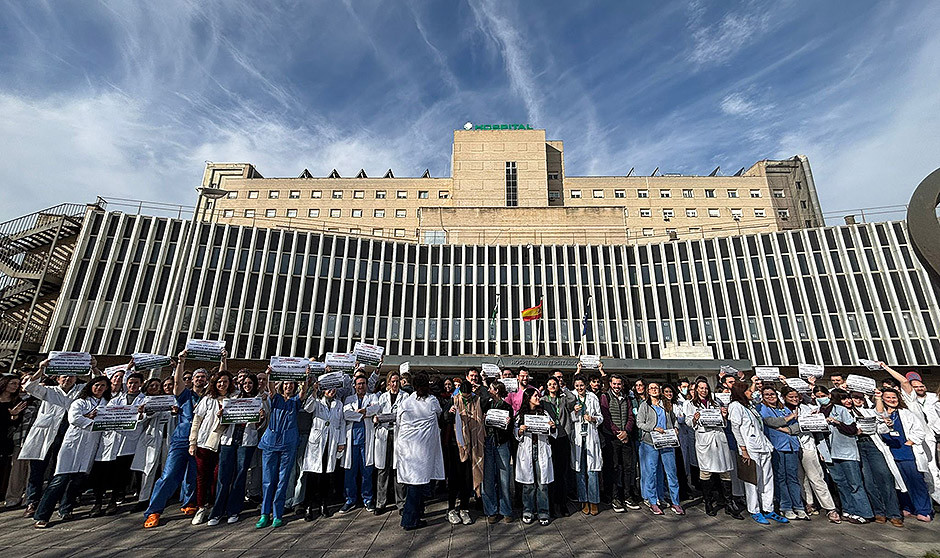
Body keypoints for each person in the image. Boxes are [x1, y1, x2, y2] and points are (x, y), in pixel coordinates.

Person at [143, 350, 214, 528]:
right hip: (181, 439)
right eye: (197, 377)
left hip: (200, 440)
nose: (200, 379)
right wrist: (181, 362)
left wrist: (223, 359)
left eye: (203, 377)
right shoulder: (185, 395)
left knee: (194, 475)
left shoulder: (209, 397)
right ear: (192, 380)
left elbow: (221, 377)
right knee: (169, 474)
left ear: (207, 380)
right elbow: (176, 383)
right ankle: (154, 511)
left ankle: (189, 503)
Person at [34, 375, 111, 528]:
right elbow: (75, 419)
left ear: (107, 388)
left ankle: (66, 509)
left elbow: (110, 420)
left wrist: (89, 418)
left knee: (77, 481)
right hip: (73, 444)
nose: (99, 388)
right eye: (96, 385)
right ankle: (42, 515)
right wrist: (94, 422)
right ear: (90, 386)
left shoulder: (108, 404)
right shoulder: (79, 402)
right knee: (60, 480)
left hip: (90, 445)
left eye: (103, 385)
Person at [19, 360, 84, 517]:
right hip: (45, 434)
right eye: (64, 376)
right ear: (57, 378)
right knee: (37, 470)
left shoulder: (80, 390)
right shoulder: (48, 390)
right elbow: (29, 387)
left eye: (71, 376)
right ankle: (32, 502)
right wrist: (41, 369)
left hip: (66, 435)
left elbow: (98, 383)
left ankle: (54, 500)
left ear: (76, 378)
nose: (67, 379)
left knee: (59, 469)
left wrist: (94, 367)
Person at [728, 379, 787, 525]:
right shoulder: (735, 406)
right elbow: (735, 428)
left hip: (763, 445)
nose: (751, 393)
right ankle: (754, 510)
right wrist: (743, 449)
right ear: (741, 392)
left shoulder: (750, 406)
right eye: (748, 391)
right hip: (750, 448)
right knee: (752, 480)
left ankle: (768, 508)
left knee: (767, 478)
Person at [814, 386, 873, 524]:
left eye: (823, 395)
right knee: (840, 484)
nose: (821, 398)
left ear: (829, 395)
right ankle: (848, 510)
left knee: (855, 483)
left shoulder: (841, 410)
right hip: (829, 453)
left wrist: (837, 422)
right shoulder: (816, 413)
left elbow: (852, 429)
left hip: (846, 452)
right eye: (818, 396)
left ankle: (864, 513)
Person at [91, 369, 145, 516]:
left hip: (129, 442)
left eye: (136, 383)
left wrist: (141, 414)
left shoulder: (144, 400)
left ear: (141, 384)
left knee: (120, 475)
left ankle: (113, 502)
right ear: (126, 384)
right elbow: (106, 415)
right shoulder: (115, 400)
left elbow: (144, 419)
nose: (133, 385)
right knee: (102, 473)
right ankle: (97, 503)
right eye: (130, 383)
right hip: (110, 440)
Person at [846, 390, 904, 527]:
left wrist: (887, 424)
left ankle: (894, 514)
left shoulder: (869, 411)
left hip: (872, 444)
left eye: (860, 398)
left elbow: (881, 428)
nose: (858, 400)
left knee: (884, 477)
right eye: (855, 397)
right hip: (857, 446)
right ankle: (879, 512)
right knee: (868, 481)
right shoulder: (845, 412)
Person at [784, 385, 840, 523]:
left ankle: (830, 508)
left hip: (808, 446)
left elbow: (816, 428)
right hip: (791, 447)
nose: (794, 399)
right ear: (784, 397)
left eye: (796, 397)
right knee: (800, 478)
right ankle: (809, 503)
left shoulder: (807, 408)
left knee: (816, 477)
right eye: (791, 397)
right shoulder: (781, 410)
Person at [396, 372, 445, 530]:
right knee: (415, 485)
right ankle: (409, 520)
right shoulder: (432, 401)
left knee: (416, 484)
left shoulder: (406, 402)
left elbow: (398, 421)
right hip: (421, 450)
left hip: (409, 449)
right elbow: (439, 414)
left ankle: (418, 513)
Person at [876, 388, 933, 522]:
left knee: (916, 481)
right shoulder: (880, 415)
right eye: (888, 397)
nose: (891, 400)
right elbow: (879, 430)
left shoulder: (906, 413)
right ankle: (907, 507)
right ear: (883, 399)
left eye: (894, 397)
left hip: (907, 453)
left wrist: (910, 442)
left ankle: (924, 510)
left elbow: (919, 431)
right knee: (900, 482)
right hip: (890, 453)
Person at [256, 377, 305, 528]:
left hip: (288, 444)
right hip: (270, 442)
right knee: (268, 480)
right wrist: (271, 374)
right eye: (286, 384)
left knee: (283, 480)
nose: (288, 386)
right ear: (282, 386)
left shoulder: (295, 401)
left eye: (291, 384)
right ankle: (265, 514)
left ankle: (277, 514)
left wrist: (305, 378)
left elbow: (303, 392)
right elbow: (271, 388)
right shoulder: (275, 398)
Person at [188, 370, 235, 525]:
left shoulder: (235, 398)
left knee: (218, 477)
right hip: (204, 443)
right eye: (219, 381)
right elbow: (196, 421)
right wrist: (192, 442)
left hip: (225, 442)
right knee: (202, 477)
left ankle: (215, 506)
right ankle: (201, 507)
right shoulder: (208, 399)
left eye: (225, 381)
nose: (222, 384)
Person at [685, 379, 737, 518]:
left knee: (725, 471)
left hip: (719, 438)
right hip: (705, 440)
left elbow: (723, 422)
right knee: (706, 472)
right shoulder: (690, 404)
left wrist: (724, 416)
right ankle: (708, 502)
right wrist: (695, 419)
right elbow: (688, 422)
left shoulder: (715, 403)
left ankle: (729, 503)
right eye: (701, 388)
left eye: (706, 388)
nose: (704, 390)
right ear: (696, 390)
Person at [757, 386, 807, 520]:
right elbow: (770, 421)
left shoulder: (783, 408)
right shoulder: (762, 408)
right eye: (767, 395)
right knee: (780, 477)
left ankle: (798, 506)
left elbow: (798, 425)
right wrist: (788, 418)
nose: (770, 397)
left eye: (772, 394)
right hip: (777, 446)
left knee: (793, 477)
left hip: (792, 446)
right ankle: (785, 506)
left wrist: (786, 430)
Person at [444, 369, 485, 525]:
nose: (466, 398)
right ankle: (451, 509)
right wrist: (449, 413)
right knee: (454, 478)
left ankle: (464, 508)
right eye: (464, 396)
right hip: (457, 445)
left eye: (469, 396)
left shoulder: (477, 400)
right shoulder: (454, 400)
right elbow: (444, 418)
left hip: (473, 445)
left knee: (467, 479)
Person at [636, 382, 683, 516]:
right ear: (648, 391)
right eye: (651, 388)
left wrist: (675, 428)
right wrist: (653, 428)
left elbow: (674, 419)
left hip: (667, 442)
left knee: (671, 473)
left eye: (656, 388)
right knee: (651, 473)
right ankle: (653, 501)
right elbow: (639, 423)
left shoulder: (666, 403)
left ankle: (676, 502)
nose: (654, 390)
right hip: (650, 443)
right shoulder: (644, 405)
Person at [300, 381, 343, 520]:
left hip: (331, 442)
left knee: (326, 476)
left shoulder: (339, 404)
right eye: (328, 388)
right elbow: (308, 408)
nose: (331, 390)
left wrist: (341, 442)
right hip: (317, 443)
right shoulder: (317, 402)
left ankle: (324, 504)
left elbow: (341, 423)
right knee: (312, 476)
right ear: (323, 390)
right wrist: (313, 391)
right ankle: (308, 506)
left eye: (334, 388)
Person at [515, 387, 556, 525]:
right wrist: (520, 431)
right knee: (528, 485)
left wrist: (552, 427)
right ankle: (528, 511)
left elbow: (552, 430)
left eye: (538, 396)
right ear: (528, 399)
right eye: (535, 396)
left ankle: (543, 512)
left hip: (541, 449)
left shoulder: (544, 413)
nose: (538, 398)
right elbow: (515, 432)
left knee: (542, 484)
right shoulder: (521, 415)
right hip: (527, 451)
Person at [600, 374, 639, 513]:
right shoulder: (605, 397)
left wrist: (626, 431)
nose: (617, 386)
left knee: (628, 467)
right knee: (614, 468)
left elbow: (631, 416)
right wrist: (617, 432)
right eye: (614, 384)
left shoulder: (626, 398)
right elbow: (606, 418)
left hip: (626, 437)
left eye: (619, 384)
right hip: (612, 438)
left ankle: (627, 495)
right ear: (610, 384)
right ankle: (615, 497)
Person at [340, 375, 378, 514]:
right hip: (352, 441)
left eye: (363, 383)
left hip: (366, 440)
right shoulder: (349, 399)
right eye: (358, 384)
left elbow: (376, 408)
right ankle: (350, 500)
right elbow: (346, 415)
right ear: (354, 386)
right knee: (350, 472)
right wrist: (364, 414)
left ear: (367, 385)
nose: (361, 386)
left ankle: (367, 499)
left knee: (367, 471)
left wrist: (363, 412)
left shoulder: (372, 397)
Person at [132, 378, 172, 510]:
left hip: (168, 438)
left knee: (166, 470)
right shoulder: (145, 400)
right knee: (148, 470)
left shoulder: (172, 400)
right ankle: (143, 499)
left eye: (157, 385)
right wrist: (146, 412)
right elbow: (139, 421)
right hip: (152, 438)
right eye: (152, 385)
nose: (155, 387)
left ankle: (162, 497)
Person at [373, 371, 409, 515]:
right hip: (384, 434)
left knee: (398, 469)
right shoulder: (382, 397)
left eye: (397, 381)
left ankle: (401, 503)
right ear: (388, 383)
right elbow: (376, 413)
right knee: (383, 470)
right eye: (392, 381)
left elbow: (406, 415)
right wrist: (377, 418)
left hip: (398, 434)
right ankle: (380, 503)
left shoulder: (405, 396)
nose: (395, 384)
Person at [569, 374, 603, 515]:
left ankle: (594, 501)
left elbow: (600, 417)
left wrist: (593, 418)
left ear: (586, 385)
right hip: (577, 437)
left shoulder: (592, 397)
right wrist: (574, 412)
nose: (579, 388)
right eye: (577, 386)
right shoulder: (571, 397)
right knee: (580, 471)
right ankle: (583, 500)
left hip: (590, 436)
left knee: (592, 471)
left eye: (581, 385)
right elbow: (567, 418)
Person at [481, 379, 513, 523]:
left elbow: (510, 429)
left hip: (502, 443)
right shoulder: (486, 405)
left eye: (491, 388)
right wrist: (483, 420)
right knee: (488, 478)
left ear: (497, 390)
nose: (488, 391)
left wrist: (508, 423)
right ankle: (491, 510)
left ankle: (506, 510)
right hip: (488, 442)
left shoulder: (507, 407)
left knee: (504, 478)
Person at [543, 375, 573, 517]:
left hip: (562, 436)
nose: (552, 386)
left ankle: (562, 503)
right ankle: (551, 504)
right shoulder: (543, 400)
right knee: (550, 472)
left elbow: (573, 399)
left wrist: (564, 388)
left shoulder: (563, 399)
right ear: (546, 387)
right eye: (550, 384)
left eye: (554, 384)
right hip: (549, 438)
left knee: (562, 472)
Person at [0, 374, 27, 504]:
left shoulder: (16, 401)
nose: (16, 386)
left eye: (17, 384)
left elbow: (16, 423)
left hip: (5, 437)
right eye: (13, 383)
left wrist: (14, 415)